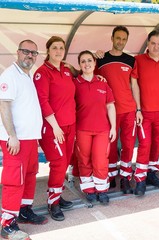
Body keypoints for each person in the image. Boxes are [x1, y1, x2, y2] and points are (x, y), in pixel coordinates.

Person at [0, 40, 48, 240]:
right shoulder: (10, 75)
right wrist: (12, 135)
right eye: (26, 51)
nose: (30, 55)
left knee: (29, 175)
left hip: (29, 138)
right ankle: (7, 224)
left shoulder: (26, 76)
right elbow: (4, 105)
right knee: (14, 180)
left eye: (34, 53)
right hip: (15, 140)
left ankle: (24, 210)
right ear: (18, 52)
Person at [94, 26, 143, 194]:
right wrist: (94, 56)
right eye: (118, 38)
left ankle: (125, 177)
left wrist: (138, 109)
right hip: (108, 111)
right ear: (112, 38)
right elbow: (91, 79)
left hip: (129, 109)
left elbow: (134, 85)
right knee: (110, 145)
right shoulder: (100, 59)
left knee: (128, 145)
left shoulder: (131, 60)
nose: (120, 41)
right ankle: (111, 174)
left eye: (124, 39)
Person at [34, 36, 76, 221]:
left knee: (64, 163)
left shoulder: (66, 70)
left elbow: (81, 77)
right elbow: (42, 102)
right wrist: (55, 126)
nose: (58, 51)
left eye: (61, 48)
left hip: (70, 125)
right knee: (59, 164)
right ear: (48, 50)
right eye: (55, 48)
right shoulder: (42, 73)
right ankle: (53, 203)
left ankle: (56, 195)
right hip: (53, 128)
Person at [131, 30, 159, 196]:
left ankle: (151, 174)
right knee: (144, 144)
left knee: (157, 145)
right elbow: (133, 85)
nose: (156, 47)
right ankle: (140, 179)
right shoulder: (138, 60)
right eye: (153, 43)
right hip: (144, 113)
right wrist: (138, 109)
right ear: (148, 44)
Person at [74, 50, 116, 204]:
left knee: (100, 161)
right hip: (82, 129)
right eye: (83, 61)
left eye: (89, 60)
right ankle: (89, 190)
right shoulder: (75, 84)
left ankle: (101, 189)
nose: (87, 64)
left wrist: (113, 127)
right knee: (84, 161)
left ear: (94, 63)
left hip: (102, 130)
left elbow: (110, 106)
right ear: (79, 65)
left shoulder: (102, 83)